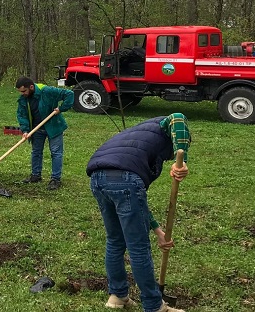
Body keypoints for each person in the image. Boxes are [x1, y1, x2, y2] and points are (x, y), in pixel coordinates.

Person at [86, 114, 190, 312]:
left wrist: (158, 231)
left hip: (98, 179)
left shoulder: (137, 136)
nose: (169, 158)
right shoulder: (165, 125)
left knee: (115, 241)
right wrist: (183, 160)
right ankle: (154, 305)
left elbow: (136, 203)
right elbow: (178, 118)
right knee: (138, 247)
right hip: (124, 178)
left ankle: (117, 296)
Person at [15, 76, 74, 190]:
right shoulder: (23, 99)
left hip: (54, 126)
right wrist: (25, 130)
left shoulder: (47, 91)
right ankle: (35, 175)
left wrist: (61, 108)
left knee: (56, 153)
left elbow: (69, 94)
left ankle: (55, 179)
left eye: (24, 91)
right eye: (20, 92)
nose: (22, 94)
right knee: (36, 152)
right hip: (37, 129)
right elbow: (22, 115)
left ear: (31, 87)